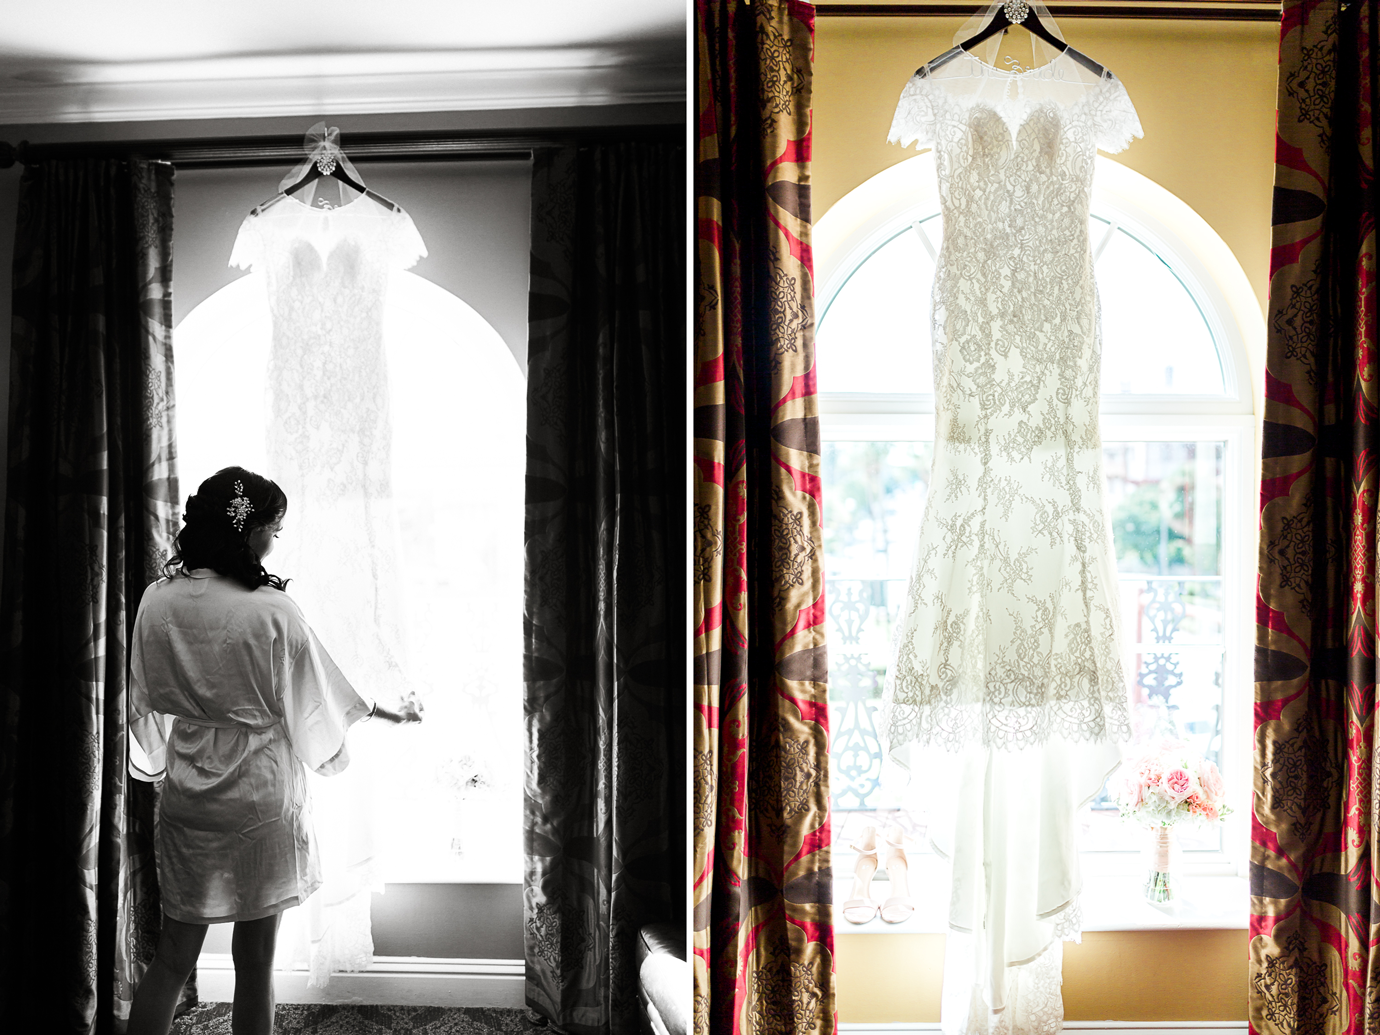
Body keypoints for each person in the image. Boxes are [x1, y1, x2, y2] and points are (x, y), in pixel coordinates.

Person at [125, 466, 423, 1035]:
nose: (273, 541)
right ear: (249, 529)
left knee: (172, 956)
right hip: (260, 801)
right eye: (274, 529)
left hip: (189, 796)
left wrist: (173, 751)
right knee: (255, 965)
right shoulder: (271, 610)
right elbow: (320, 698)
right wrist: (390, 712)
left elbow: (145, 703)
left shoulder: (156, 601)